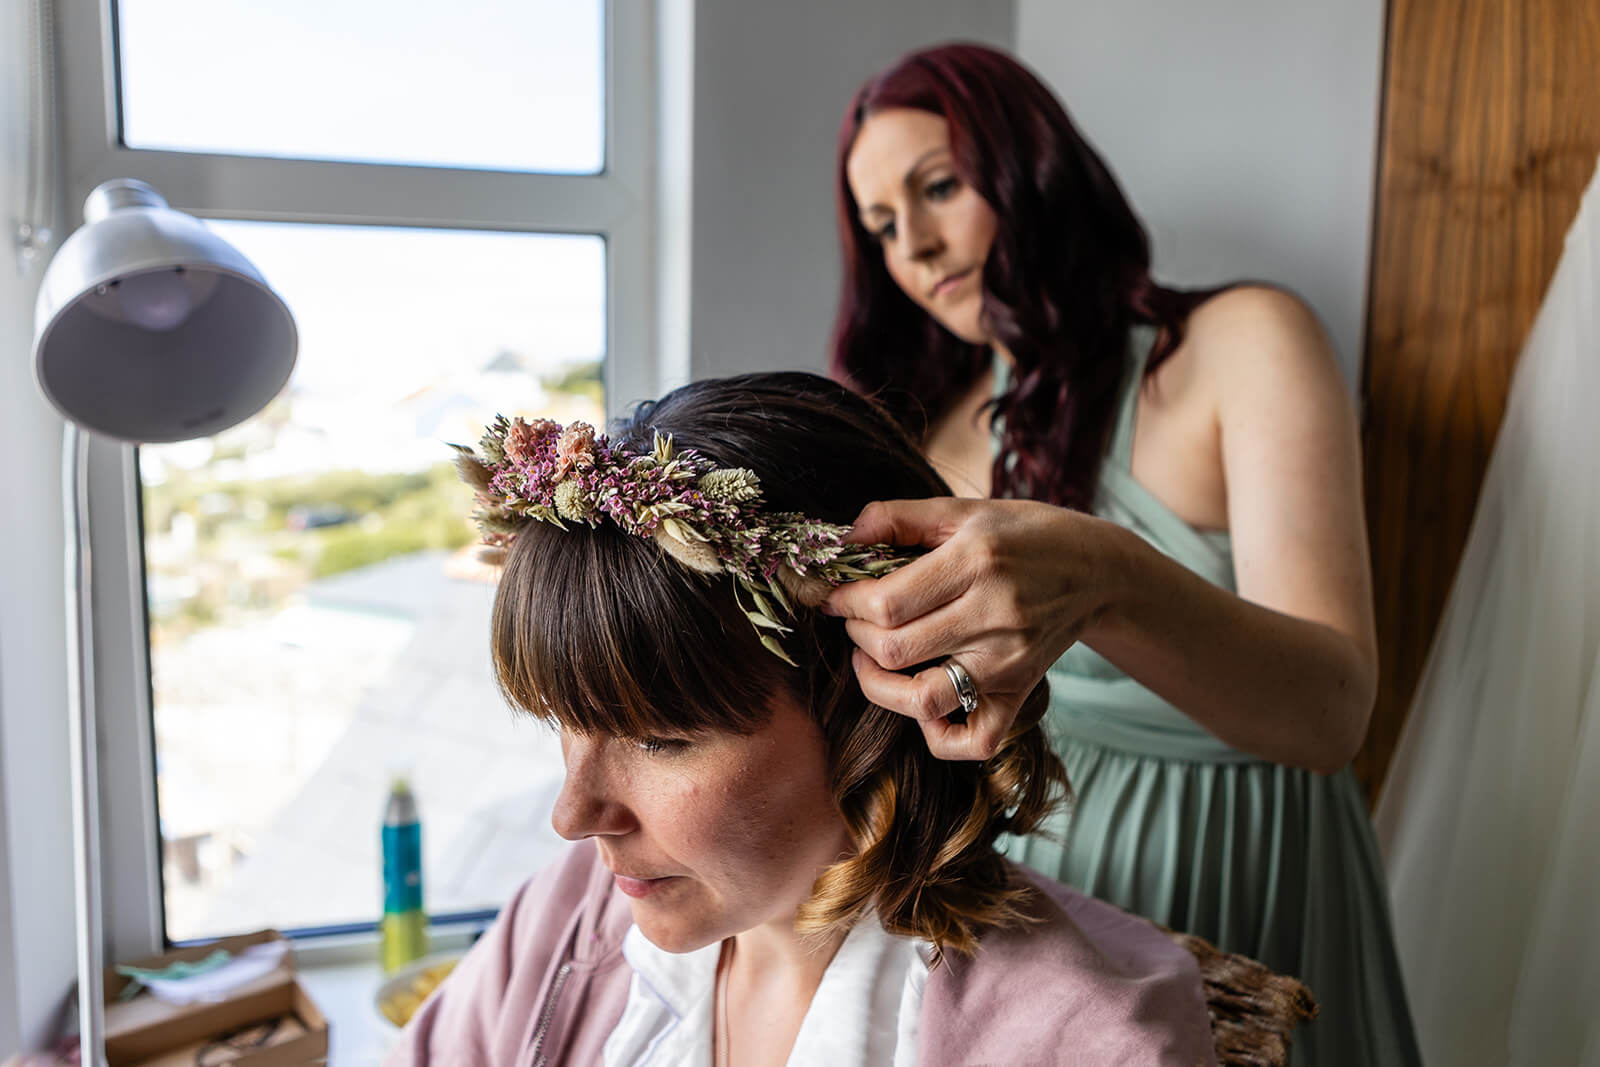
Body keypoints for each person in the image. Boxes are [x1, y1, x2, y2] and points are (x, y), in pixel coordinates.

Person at [825, 42, 1419, 1065]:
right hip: (1026, 908)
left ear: (1030, 166)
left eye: (937, 187)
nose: (914, 245)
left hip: (1246, 858)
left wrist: (1109, 575)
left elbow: (1332, 711)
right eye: (881, 226)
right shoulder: (925, 437)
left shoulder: (1240, 344)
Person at [384, 373, 1220, 1066]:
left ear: (874, 706)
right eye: (566, 720)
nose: (573, 817)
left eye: (659, 738)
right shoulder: (569, 917)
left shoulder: (1088, 1043)